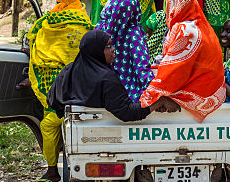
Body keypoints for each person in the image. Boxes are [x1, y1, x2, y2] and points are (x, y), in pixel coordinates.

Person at [24, 0, 92, 182]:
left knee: (49, 124)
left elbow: (35, 44)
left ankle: (52, 169)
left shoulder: (47, 22)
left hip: (53, 84)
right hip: (81, 82)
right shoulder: (85, 20)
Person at [49, 30, 178, 121]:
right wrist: (159, 101)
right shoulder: (106, 78)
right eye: (108, 46)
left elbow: (52, 98)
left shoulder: (68, 71)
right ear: (96, 50)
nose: (113, 49)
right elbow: (127, 113)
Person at [139, 0, 226, 122]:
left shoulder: (184, 29)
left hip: (199, 93)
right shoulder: (203, 26)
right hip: (213, 89)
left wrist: (152, 95)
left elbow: (175, 70)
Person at [95, 0, 154, 102]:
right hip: (128, 94)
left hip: (102, 91)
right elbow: (142, 64)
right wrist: (153, 91)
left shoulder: (99, 28)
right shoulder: (134, 33)